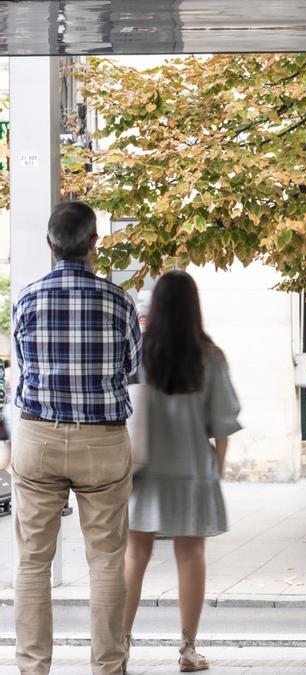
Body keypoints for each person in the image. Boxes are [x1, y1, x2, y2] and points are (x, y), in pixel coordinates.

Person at [10, 201, 142, 675]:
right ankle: (108, 667)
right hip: (102, 441)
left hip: (38, 438)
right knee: (106, 560)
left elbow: (23, 369)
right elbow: (131, 369)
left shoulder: (25, 299)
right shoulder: (120, 300)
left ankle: (32, 668)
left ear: (50, 245)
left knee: (32, 563)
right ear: (94, 244)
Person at [121, 271, 242, 672]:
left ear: (155, 305)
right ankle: (188, 650)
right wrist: (217, 470)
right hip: (193, 472)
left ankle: (119, 644)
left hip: (145, 473)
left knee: (134, 554)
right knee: (190, 556)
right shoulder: (210, 356)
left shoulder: (139, 353)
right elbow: (223, 424)